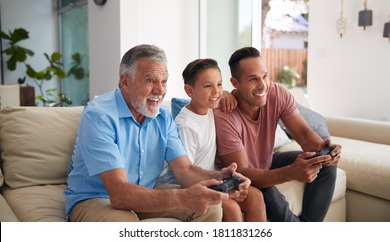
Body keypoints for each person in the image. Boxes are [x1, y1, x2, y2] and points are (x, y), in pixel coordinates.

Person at [64, 44, 250, 222]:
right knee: (123, 222)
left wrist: (220, 177)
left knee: (209, 206)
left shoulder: (162, 117)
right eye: (150, 80)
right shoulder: (99, 116)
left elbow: (185, 170)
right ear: (125, 81)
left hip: (146, 189)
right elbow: (119, 193)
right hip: (97, 197)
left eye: (164, 81)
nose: (160, 90)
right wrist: (183, 197)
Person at [214, 46, 342, 222]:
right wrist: (291, 172)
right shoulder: (224, 115)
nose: (262, 85)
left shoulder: (277, 93)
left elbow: (304, 134)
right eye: (253, 79)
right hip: (242, 176)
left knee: (325, 164)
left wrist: (324, 151)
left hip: (267, 161)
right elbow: (243, 173)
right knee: (266, 191)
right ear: (235, 83)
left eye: (265, 76)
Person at [174, 58, 267, 222]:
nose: (216, 91)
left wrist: (225, 94)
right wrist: (222, 189)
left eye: (219, 84)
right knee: (232, 209)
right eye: (208, 86)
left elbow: (221, 95)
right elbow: (185, 175)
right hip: (193, 185)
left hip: (214, 179)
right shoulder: (186, 126)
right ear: (189, 91)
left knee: (256, 197)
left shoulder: (210, 108)